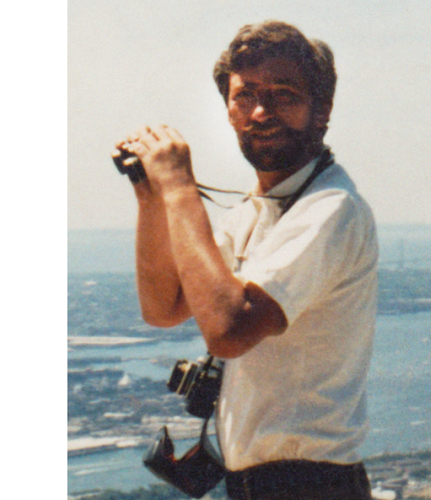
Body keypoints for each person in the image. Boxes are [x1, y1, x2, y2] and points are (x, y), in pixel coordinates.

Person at [116, 21, 378, 500]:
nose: (261, 111)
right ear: (229, 110)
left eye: (283, 94)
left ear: (322, 111)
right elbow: (163, 305)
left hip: (310, 486)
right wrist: (150, 195)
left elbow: (229, 329)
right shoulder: (261, 212)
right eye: (245, 96)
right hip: (259, 485)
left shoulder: (331, 208)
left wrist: (178, 187)